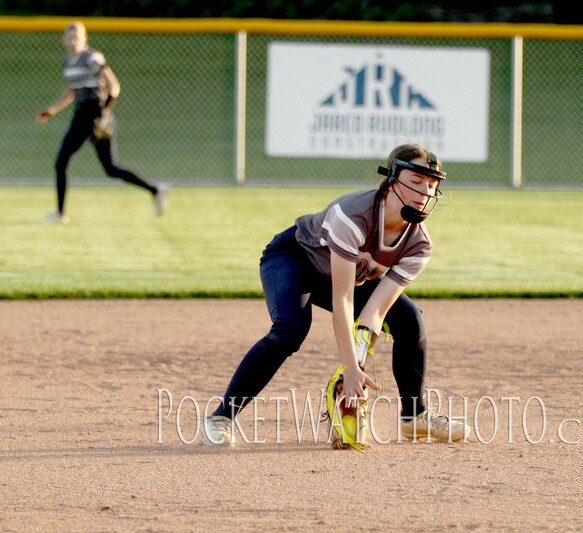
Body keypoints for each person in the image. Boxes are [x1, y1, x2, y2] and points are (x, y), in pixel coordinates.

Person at [201, 144, 471, 447]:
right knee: (291, 329)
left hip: (342, 276)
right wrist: (350, 369)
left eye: (432, 185)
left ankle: (414, 418)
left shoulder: (418, 245)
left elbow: (374, 313)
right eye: (416, 181)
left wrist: (355, 369)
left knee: (409, 320)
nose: (425, 191)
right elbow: (344, 299)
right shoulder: (353, 216)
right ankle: (221, 417)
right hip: (295, 259)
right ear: (392, 179)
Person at [35, 21, 168, 224]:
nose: (72, 41)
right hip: (80, 115)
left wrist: (105, 112)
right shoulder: (67, 60)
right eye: (69, 37)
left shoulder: (92, 58)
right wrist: (51, 110)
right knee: (61, 163)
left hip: (96, 113)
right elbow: (73, 91)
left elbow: (114, 86)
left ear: (84, 39)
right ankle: (60, 214)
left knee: (111, 168)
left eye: (76, 37)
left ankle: (156, 190)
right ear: (64, 39)